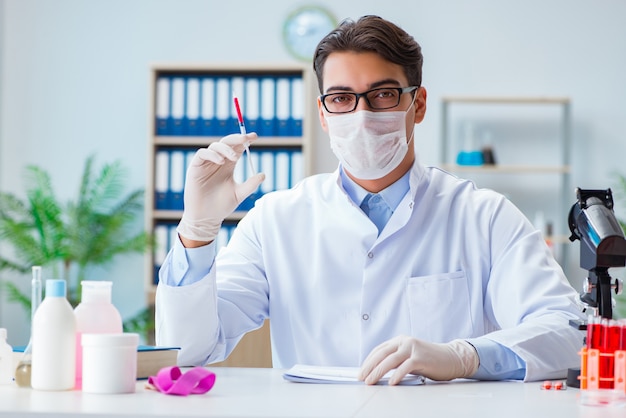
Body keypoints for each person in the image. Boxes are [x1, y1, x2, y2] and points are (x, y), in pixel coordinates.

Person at [155, 15, 585, 385]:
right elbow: (189, 351)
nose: (361, 115)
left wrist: (463, 356)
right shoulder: (275, 220)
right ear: (324, 114)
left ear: (417, 104)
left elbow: (569, 332)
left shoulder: (483, 215)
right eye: (341, 98)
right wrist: (197, 232)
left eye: (382, 94)